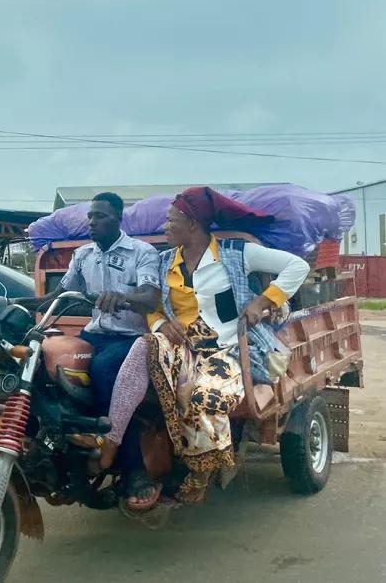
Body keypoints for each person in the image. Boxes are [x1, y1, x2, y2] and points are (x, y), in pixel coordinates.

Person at [102, 187, 310, 504]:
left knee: (204, 396)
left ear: (194, 225)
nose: (164, 228)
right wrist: (162, 325)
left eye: (172, 222)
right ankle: (111, 440)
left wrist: (262, 302)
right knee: (144, 345)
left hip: (225, 350)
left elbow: (298, 266)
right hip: (184, 346)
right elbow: (154, 308)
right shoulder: (162, 262)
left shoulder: (236, 253)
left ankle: (203, 469)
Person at [14, 192, 161, 506]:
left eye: (100, 216)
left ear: (118, 219)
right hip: (94, 334)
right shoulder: (83, 255)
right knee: (40, 361)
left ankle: (134, 469)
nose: (92, 222)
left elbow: (150, 298)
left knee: (104, 372)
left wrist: (123, 297)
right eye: (90, 216)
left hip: (130, 339)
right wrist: (15, 304)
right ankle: (28, 440)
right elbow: (60, 294)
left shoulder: (142, 252)